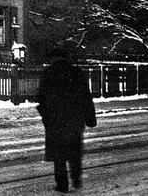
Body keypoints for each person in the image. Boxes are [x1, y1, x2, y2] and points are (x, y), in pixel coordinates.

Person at [37, 47, 97, 193]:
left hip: (55, 121)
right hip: (74, 120)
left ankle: (62, 184)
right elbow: (86, 97)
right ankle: (76, 176)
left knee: (59, 155)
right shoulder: (77, 73)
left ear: (52, 59)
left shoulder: (48, 74)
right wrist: (90, 117)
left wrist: (46, 116)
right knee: (75, 151)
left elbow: (40, 99)